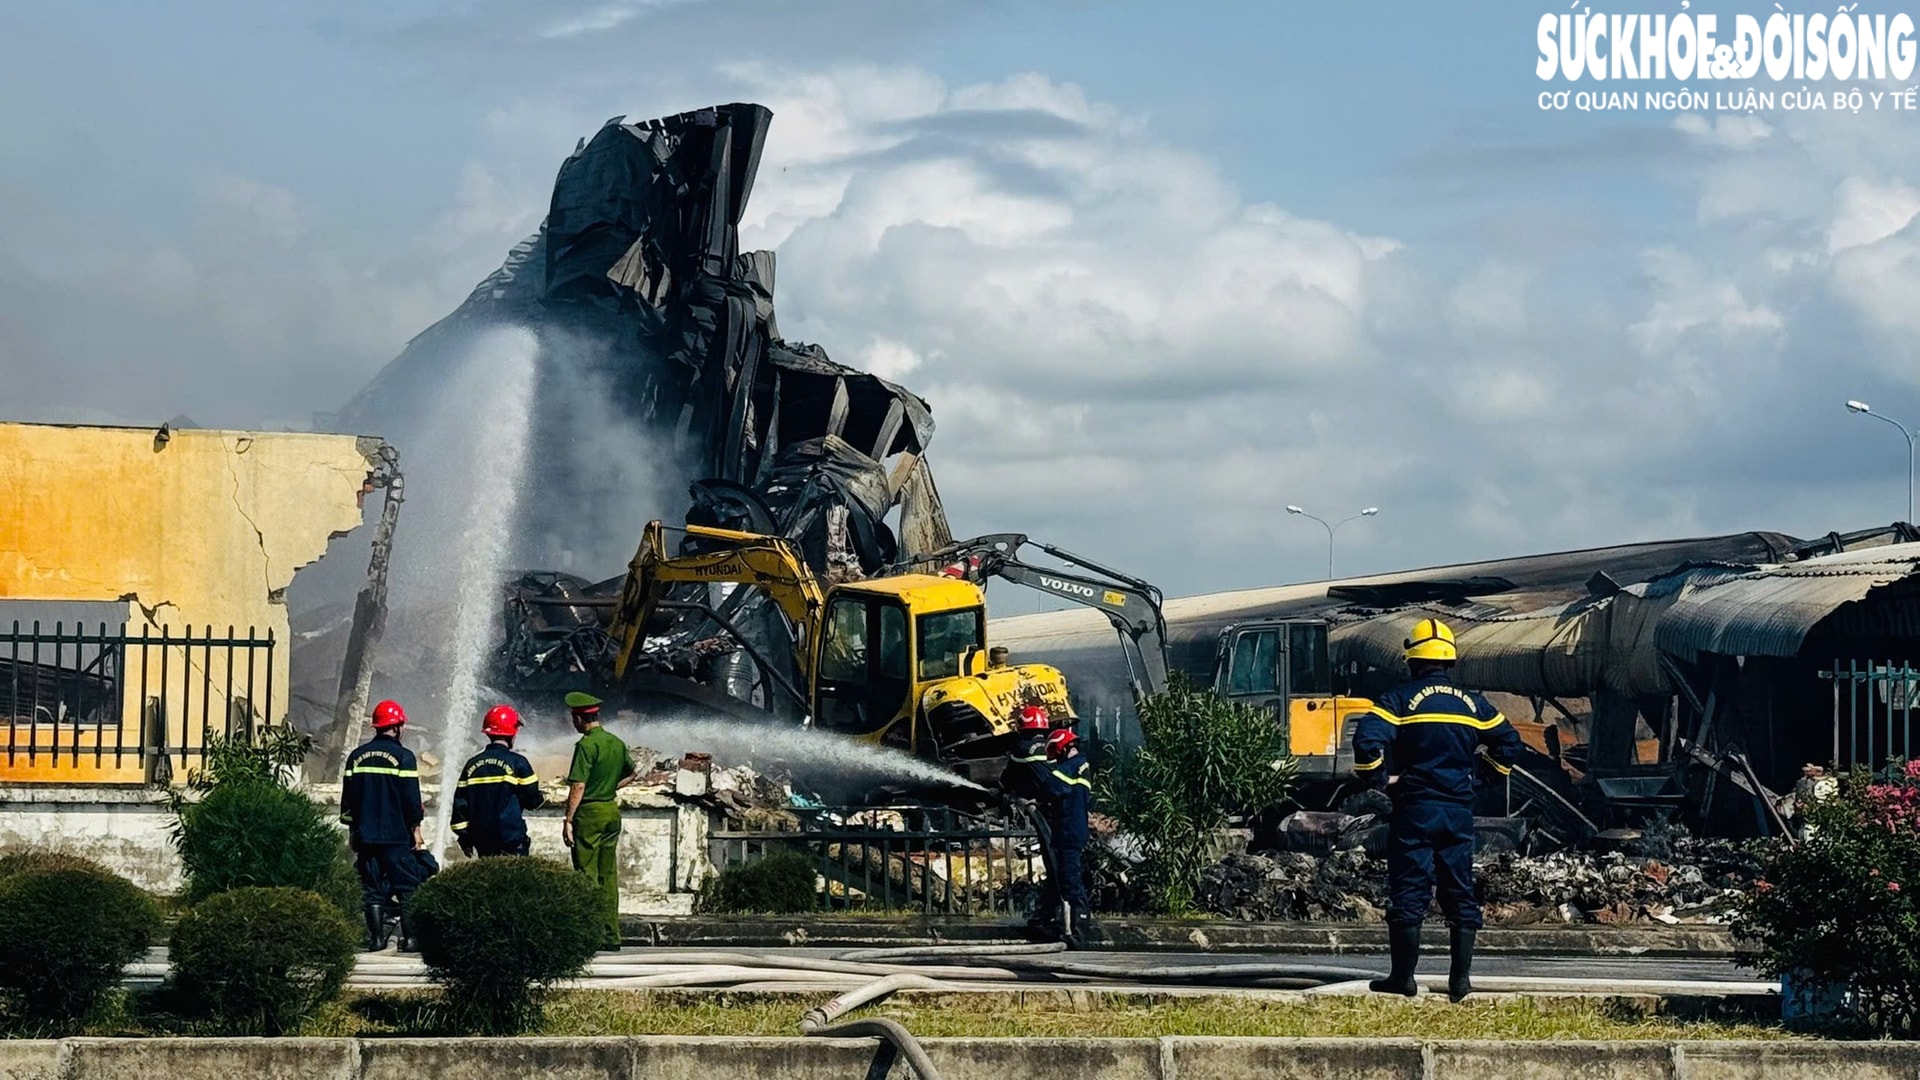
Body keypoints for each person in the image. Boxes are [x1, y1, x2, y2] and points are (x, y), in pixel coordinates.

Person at [1353, 617, 1524, 1002]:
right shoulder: (1473, 703)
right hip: (1458, 810)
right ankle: (1460, 982)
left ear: (1412, 661)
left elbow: (1367, 742)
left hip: (1415, 808)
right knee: (1459, 889)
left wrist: (1378, 780)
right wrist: (1481, 779)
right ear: (1450, 662)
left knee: (1410, 889)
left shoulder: (1399, 700)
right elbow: (1509, 743)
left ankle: (1403, 978)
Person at [340, 698, 427, 952]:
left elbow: (348, 802)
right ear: (398, 727)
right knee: (408, 887)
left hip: (366, 837)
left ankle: (376, 939)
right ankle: (410, 940)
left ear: (377, 727)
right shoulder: (404, 757)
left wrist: (352, 830)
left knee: (372, 890)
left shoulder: (356, 757)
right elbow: (412, 801)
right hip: (396, 837)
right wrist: (416, 830)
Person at [562, 691, 637, 951]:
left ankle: (588, 935)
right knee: (608, 875)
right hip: (610, 811)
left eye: (574, 718)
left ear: (580, 718)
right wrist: (610, 788)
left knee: (586, 875)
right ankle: (610, 935)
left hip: (590, 813)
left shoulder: (585, 745)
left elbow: (578, 785)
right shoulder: (616, 742)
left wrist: (568, 819)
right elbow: (633, 773)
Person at [451, 704, 544, 858]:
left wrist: (465, 838)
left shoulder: (472, 765)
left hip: (482, 840)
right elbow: (533, 800)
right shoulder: (518, 763)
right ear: (513, 732)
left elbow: (461, 807)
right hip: (511, 839)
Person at [999, 705, 1058, 939]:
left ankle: (1052, 913)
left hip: (1045, 810)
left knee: (1053, 861)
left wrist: (1009, 793)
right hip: (1062, 808)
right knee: (1061, 861)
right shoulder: (1052, 746)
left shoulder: (1022, 748)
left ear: (1022, 728)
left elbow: (1009, 778)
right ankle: (1061, 912)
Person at [1040, 726, 1094, 948]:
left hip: (1068, 833)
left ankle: (1079, 935)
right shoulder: (1080, 766)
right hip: (1071, 832)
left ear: (1062, 747)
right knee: (1063, 881)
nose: (1055, 759)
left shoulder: (1071, 767)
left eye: (1055, 752)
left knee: (1071, 884)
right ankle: (1058, 924)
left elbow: (1051, 786)